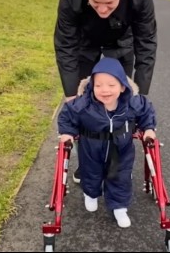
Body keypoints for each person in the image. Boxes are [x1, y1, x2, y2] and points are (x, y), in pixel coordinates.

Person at [54, 0, 157, 184]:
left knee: (120, 104)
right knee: (85, 105)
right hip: (86, 43)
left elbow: (146, 43)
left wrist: (141, 93)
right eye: (95, 1)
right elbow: (65, 45)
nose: (102, 9)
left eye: (109, 2)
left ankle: (118, 164)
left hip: (121, 42)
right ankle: (89, 162)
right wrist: (72, 94)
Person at [58, 57, 156, 228]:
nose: (105, 90)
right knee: (90, 173)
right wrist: (66, 133)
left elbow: (146, 111)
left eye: (111, 85)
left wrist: (148, 128)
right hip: (91, 147)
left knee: (120, 176)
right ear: (91, 86)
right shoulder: (84, 104)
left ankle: (119, 207)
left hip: (121, 149)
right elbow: (67, 114)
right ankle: (91, 194)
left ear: (122, 86)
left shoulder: (132, 103)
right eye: (98, 85)